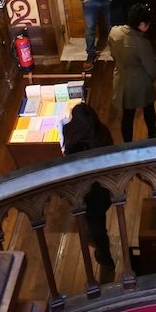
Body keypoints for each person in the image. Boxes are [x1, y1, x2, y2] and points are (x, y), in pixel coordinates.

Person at [62, 104, 116, 269]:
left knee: (94, 222)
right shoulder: (102, 133)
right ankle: (99, 242)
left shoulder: (72, 139)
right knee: (98, 218)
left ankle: (105, 256)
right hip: (103, 187)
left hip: (85, 191)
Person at [110, 3, 156, 143]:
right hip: (139, 80)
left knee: (127, 114)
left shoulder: (114, 32)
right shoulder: (141, 42)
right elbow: (150, 67)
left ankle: (127, 143)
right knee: (148, 106)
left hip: (120, 77)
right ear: (141, 24)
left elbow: (113, 54)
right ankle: (152, 132)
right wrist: (152, 77)